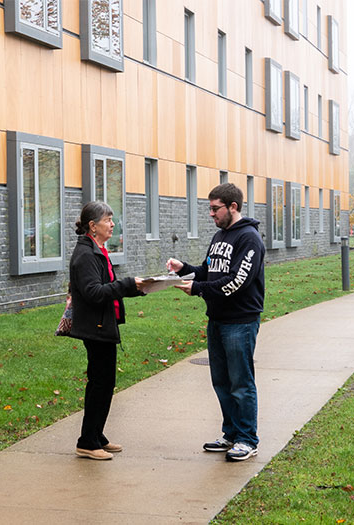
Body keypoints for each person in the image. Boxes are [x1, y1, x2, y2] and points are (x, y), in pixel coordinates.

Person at [166, 183, 265, 462]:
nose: (211, 214)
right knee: (221, 381)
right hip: (217, 320)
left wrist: (197, 288)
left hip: (240, 322)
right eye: (210, 209)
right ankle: (231, 433)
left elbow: (238, 280)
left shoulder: (249, 239)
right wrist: (184, 269)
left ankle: (247, 439)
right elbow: (208, 272)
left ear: (232, 207)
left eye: (215, 208)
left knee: (241, 382)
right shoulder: (220, 237)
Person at [69, 201, 146, 460]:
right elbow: (93, 292)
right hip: (95, 328)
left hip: (102, 325)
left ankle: (96, 435)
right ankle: (88, 442)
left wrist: (137, 288)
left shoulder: (97, 250)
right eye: (108, 220)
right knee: (100, 383)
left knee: (103, 383)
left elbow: (108, 287)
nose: (112, 224)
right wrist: (126, 285)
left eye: (112, 219)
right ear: (93, 226)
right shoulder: (87, 255)